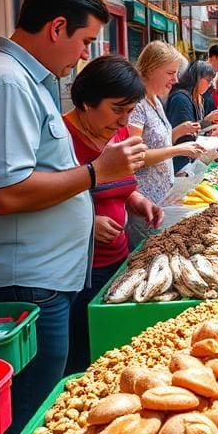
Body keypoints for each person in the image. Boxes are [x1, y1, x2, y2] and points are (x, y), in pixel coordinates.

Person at [0, 0, 146, 434]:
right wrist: (95, 174)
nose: (83, 57)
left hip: (42, 276)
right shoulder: (6, 83)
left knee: (34, 410)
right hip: (23, 278)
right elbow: (8, 193)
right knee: (20, 420)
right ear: (57, 27)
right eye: (84, 42)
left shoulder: (23, 81)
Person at [62, 56, 162, 374]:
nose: (123, 121)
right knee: (81, 357)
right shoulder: (62, 138)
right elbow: (44, 196)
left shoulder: (116, 135)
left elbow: (118, 185)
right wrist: (86, 224)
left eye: (130, 111)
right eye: (117, 109)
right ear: (87, 101)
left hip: (118, 260)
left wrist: (137, 200)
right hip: (77, 272)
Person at [127, 41, 204, 248]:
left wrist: (180, 131)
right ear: (151, 69)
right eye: (170, 73)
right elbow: (134, 158)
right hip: (144, 204)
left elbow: (156, 142)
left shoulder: (155, 99)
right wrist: (178, 149)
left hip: (162, 199)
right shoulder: (136, 106)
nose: (176, 79)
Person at [166, 60, 218, 172]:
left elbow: (192, 128)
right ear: (197, 78)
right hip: (180, 164)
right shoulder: (181, 99)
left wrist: (208, 126)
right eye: (208, 80)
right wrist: (206, 123)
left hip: (187, 160)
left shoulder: (196, 97)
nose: (210, 85)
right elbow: (185, 136)